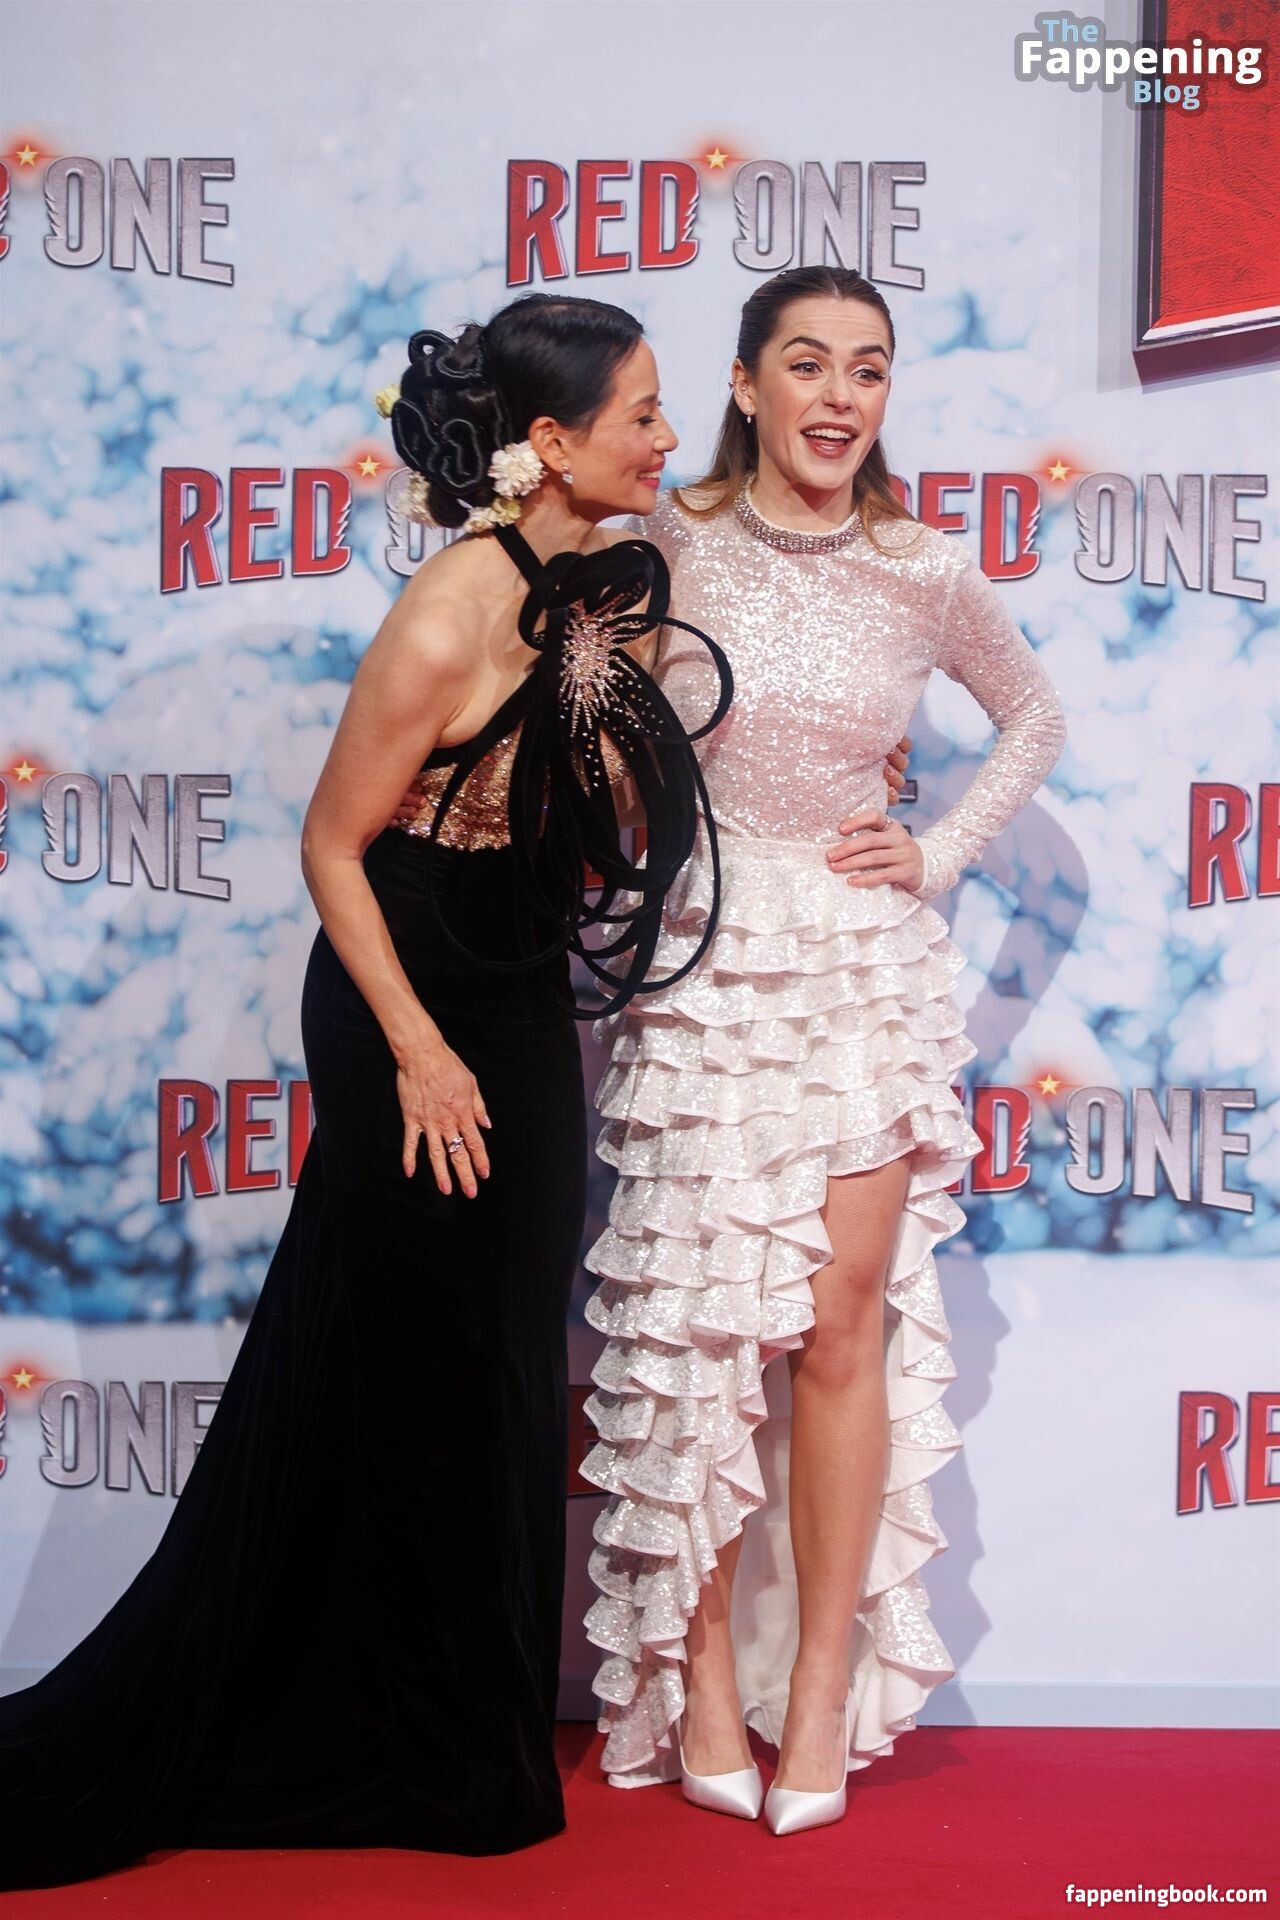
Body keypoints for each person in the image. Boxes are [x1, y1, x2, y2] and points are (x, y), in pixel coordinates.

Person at [0, 292, 743, 1888]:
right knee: (423, 1363)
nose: (668, 438)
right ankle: (405, 1733)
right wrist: (416, 1050)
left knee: (499, 1363)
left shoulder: (607, 585)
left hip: (517, 992)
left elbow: (601, 810)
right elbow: (332, 849)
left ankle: (444, 1725)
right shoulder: (445, 613)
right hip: (406, 999)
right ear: (551, 443)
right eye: (641, 413)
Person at [576, 266, 1068, 1835]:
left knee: (842, 1327)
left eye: (868, 367)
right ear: (745, 385)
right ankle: (708, 1686)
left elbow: (1033, 716)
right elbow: (590, 734)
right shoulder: (665, 544)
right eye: (807, 363)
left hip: (859, 970)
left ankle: (819, 1702)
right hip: (708, 964)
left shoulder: (924, 568)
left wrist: (939, 852)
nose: (840, 395)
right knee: (709, 1336)